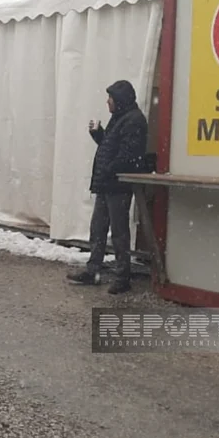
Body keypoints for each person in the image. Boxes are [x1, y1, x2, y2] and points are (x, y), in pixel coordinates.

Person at [67, 80, 148, 295]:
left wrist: (109, 170)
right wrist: (99, 135)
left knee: (119, 232)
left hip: (117, 185)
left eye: (110, 98)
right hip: (107, 183)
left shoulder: (133, 120)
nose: (107, 102)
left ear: (119, 100)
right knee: (98, 228)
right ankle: (93, 270)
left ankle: (123, 277)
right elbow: (111, 148)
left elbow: (128, 155)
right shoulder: (120, 118)